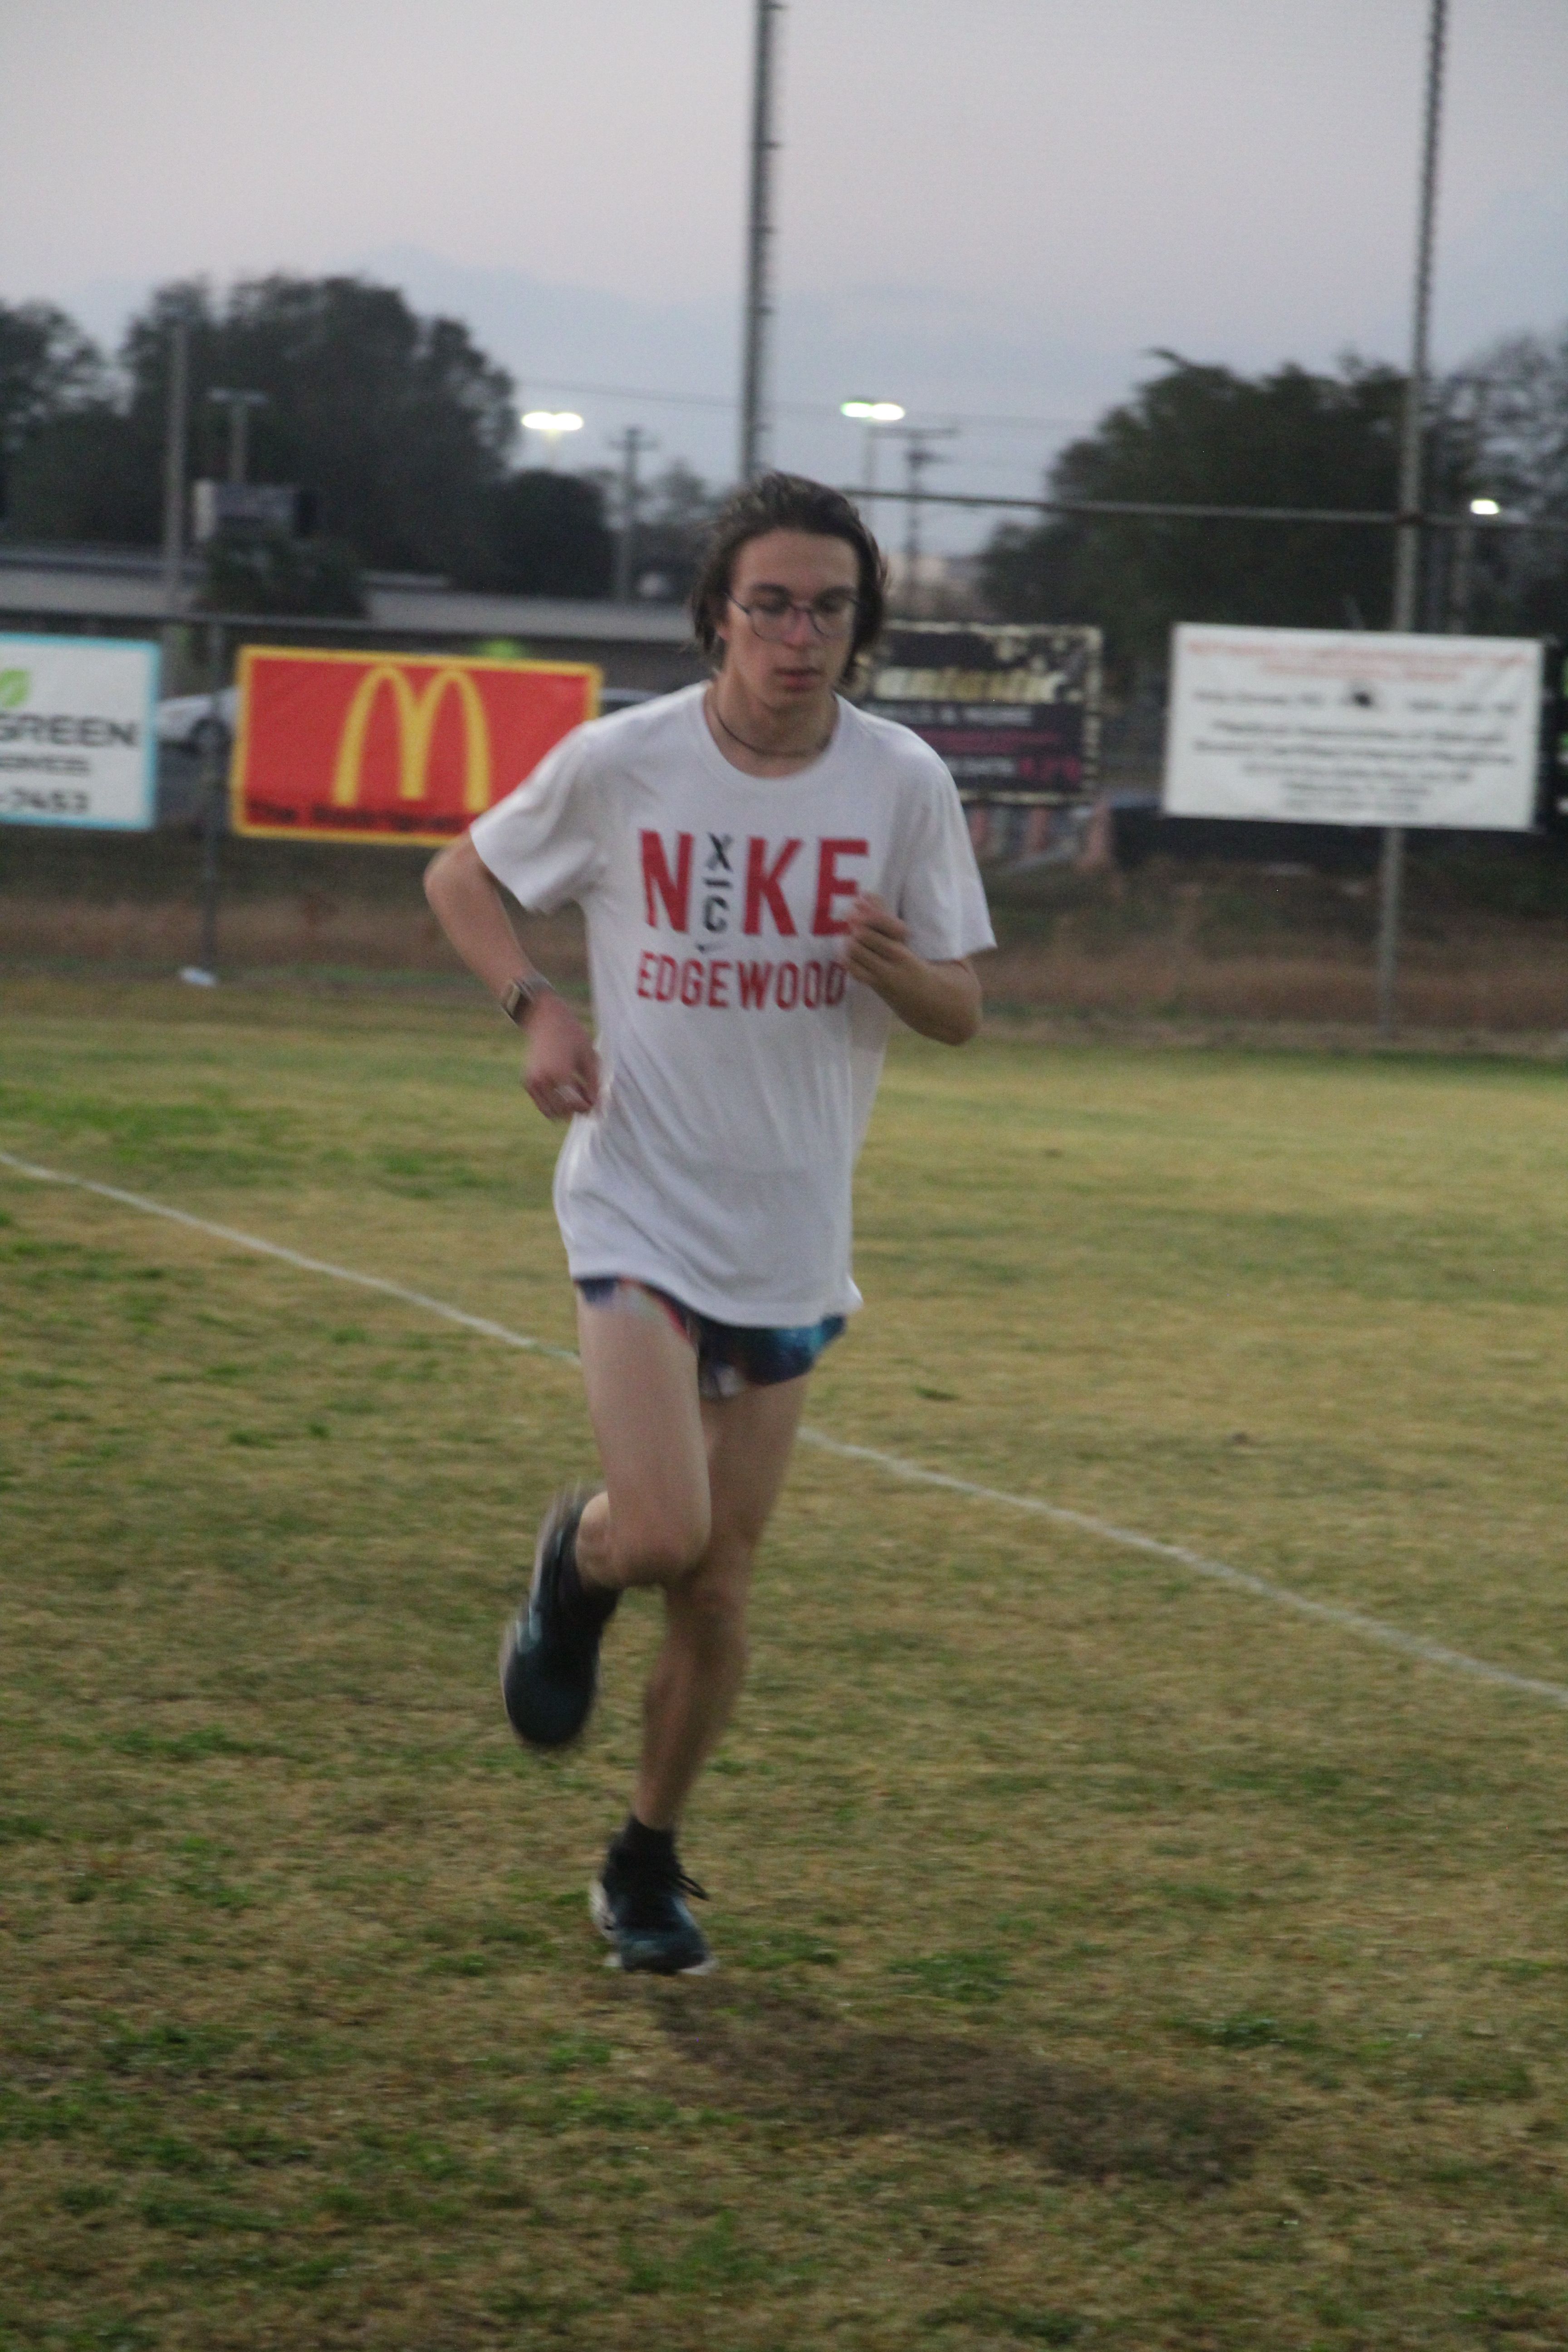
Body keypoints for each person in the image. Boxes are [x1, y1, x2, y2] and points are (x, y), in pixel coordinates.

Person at [424, 471, 993, 1975]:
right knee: (666, 1531)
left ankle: (645, 1858)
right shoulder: (629, 762)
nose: (800, 636)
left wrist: (898, 971)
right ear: (718, 615)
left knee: (722, 1582)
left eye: (830, 609)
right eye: (772, 605)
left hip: (789, 1230)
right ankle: (578, 1565)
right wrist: (535, 1006)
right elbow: (462, 874)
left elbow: (961, 1010)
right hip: (638, 1200)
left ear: (861, 625)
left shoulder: (902, 782)